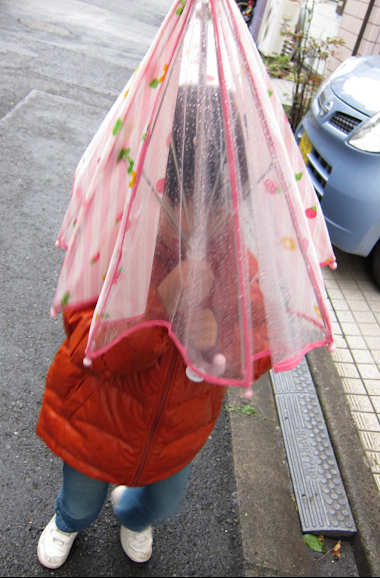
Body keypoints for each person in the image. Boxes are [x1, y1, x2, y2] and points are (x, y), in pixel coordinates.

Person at [36, 84, 270, 570]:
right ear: (161, 184)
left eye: (223, 204)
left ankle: (134, 511)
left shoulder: (232, 256)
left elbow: (258, 343)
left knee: (159, 502)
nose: (205, 219)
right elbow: (87, 345)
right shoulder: (120, 243)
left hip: (175, 429)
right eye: (187, 200)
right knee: (81, 501)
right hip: (98, 418)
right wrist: (159, 307)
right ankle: (67, 522)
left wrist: (221, 334)